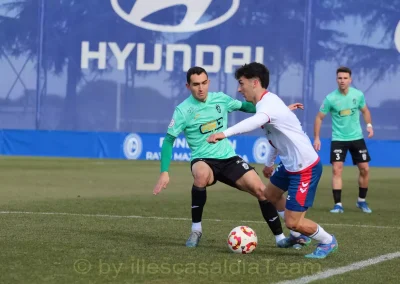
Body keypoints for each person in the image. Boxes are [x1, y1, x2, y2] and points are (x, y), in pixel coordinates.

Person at [153, 66, 304, 249]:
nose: (200, 88)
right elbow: (169, 141)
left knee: (261, 191)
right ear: (188, 86)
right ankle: (196, 230)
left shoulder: (221, 99)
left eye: (203, 83)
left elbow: (249, 107)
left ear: (208, 82)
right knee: (200, 175)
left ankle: (281, 238)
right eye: (195, 84)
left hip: (228, 158)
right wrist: (164, 172)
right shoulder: (183, 110)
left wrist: (279, 111)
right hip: (203, 159)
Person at [207, 62, 338, 259]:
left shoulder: (267, 106)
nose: (239, 88)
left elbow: (253, 122)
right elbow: (274, 137)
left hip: (305, 168)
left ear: (255, 83)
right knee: (270, 194)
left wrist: (224, 133)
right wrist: (270, 163)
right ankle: (296, 237)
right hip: (289, 165)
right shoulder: (267, 104)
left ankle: (328, 241)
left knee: (293, 221)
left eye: (241, 83)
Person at [313, 66, 373, 214]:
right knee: (336, 169)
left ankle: (361, 201)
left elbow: (365, 110)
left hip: (357, 137)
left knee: (365, 169)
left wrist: (369, 125)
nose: (342, 81)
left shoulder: (358, 95)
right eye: (340, 78)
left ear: (350, 80)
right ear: (336, 79)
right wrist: (316, 138)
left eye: (345, 78)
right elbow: (319, 118)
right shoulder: (330, 98)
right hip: (338, 139)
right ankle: (338, 205)